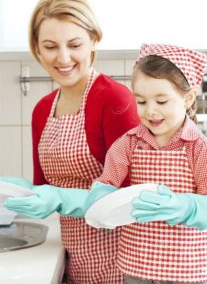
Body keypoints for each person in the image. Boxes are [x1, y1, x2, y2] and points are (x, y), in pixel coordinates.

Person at [0, 0, 139, 284]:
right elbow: (44, 187)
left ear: (94, 40)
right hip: (75, 260)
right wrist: (25, 192)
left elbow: (132, 198)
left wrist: (60, 198)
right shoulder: (42, 110)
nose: (63, 58)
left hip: (122, 265)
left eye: (74, 44)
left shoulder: (115, 100)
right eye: (50, 46)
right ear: (36, 47)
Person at [85, 43, 207, 284]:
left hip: (186, 269)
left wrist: (187, 207)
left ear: (188, 98)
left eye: (161, 102)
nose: (151, 111)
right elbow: (108, 181)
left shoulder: (198, 147)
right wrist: (100, 196)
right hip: (136, 265)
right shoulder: (128, 144)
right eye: (141, 101)